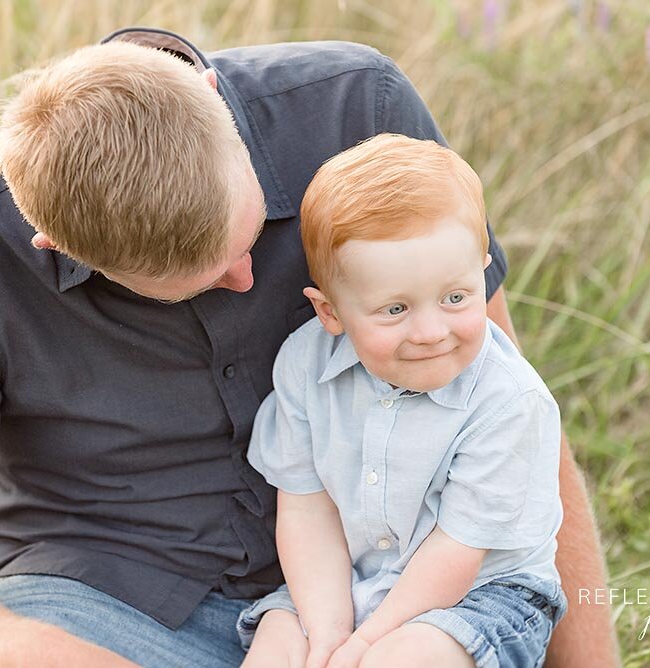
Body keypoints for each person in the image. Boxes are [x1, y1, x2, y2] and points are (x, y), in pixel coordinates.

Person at [0, 28, 618, 667]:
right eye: (195, 279)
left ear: (215, 99)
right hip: (105, 599)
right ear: (52, 242)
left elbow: (505, 415)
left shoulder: (357, 112)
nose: (248, 276)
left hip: (397, 579)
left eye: (248, 237)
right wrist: (40, 655)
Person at [236, 133, 565, 668]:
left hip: (481, 592)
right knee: (279, 648)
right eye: (395, 310)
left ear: (482, 269)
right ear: (331, 312)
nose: (432, 331)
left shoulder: (508, 402)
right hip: (347, 580)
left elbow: (457, 552)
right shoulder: (305, 364)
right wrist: (328, 634)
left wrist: (364, 646)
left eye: (455, 298)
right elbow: (305, 508)